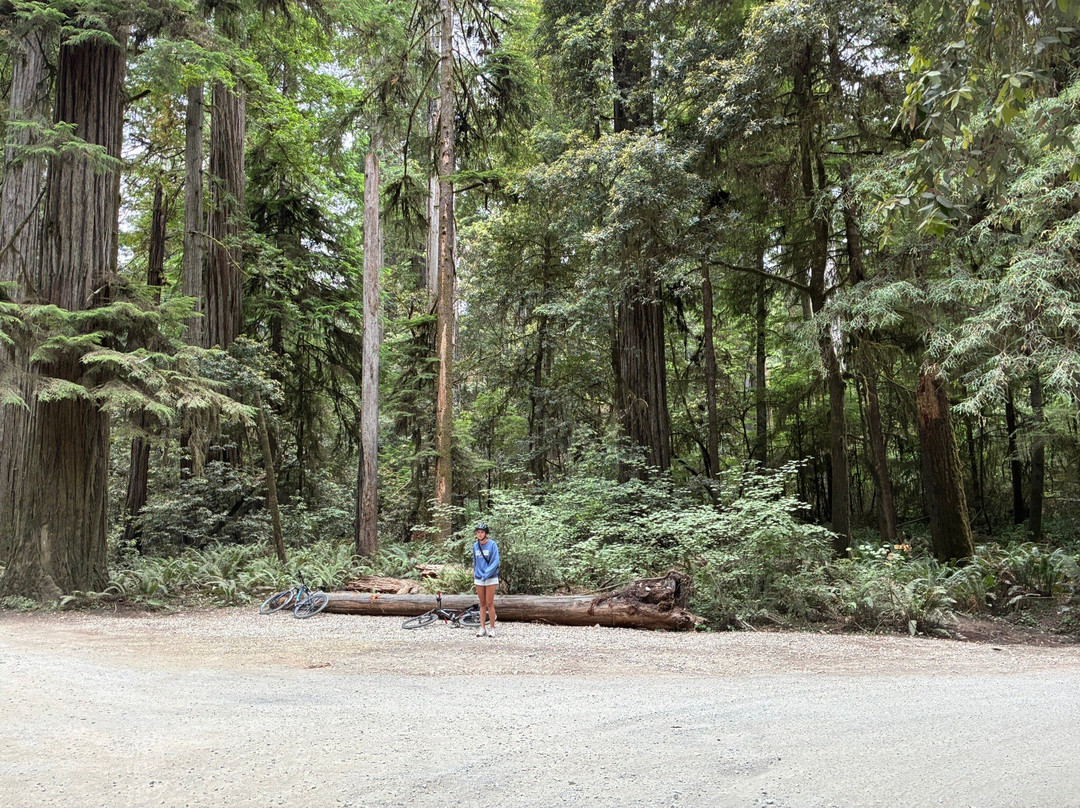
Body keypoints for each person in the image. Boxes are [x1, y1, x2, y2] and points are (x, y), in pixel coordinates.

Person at [472, 523, 500, 637]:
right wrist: (476, 573)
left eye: (482, 532)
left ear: (486, 533)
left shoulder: (492, 544)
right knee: (482, 604)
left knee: (489, 603)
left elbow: (495, 561)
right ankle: (482, 627)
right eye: (478, 532)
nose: (480, 534)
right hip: (479, 578)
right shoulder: (475, 546)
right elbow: (475, 561)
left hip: (491, 577)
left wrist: (487, 573)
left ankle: (492, 628)